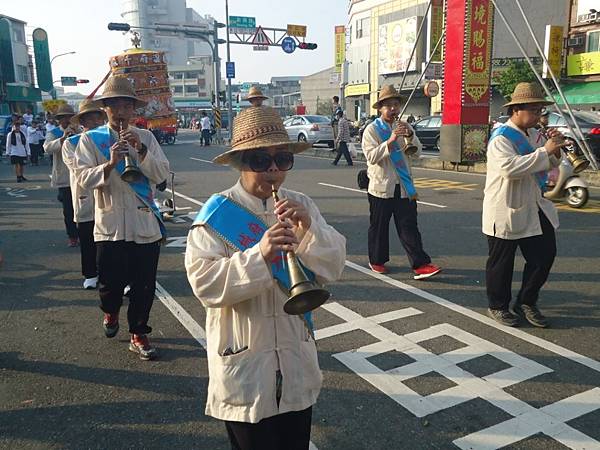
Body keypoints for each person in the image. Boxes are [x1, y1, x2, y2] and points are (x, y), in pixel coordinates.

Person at [185, 106, 346, 450]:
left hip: (295, 359)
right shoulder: (215, 215)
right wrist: (260, 255)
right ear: (240, 162)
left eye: (282, 159)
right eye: (260, 160)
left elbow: (333, 265)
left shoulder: (301, 204)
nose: (273, 170)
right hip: (244, 362)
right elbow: (206, 284)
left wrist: (310, 228)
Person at [74, 76, 170, 360]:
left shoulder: (148, 137)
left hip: (144, 224)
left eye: (126, 104)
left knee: (144, 286)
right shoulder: (91, 140)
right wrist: (110, 163)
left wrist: (140, 150)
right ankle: (110, 312)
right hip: (110, 226)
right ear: (105, 108)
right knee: (110, 287)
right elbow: (82, 179)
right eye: (114, 104)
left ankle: (139, 332)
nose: (121, 110)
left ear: (133, 109)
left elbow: (162, 174)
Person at [483, 82, 563, 328]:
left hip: (534, 205)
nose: (539, 115)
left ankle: (527, 300)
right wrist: (544, 152)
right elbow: (510, 168)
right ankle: (498, 306)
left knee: (544, 255)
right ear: (516, 109)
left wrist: (556, 151)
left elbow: (545, 165)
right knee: (502, 264)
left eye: (541, 110)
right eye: (534, 109)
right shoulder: (501, 138)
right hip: (506, 207)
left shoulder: (535, 134)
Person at [362, 85, 441, 279]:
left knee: (409, 226)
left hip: (404, 187)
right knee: (379, 227)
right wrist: (391, 140)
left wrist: (411, 136)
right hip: (382, 187)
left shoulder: (406, 125)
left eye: (396, 105)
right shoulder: (372, 129)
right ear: (380, 108)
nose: (393, 109)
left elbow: (418, 152)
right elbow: (371, 156)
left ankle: (420, 264)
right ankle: (377, 260)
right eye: (388, 105)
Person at [62, 99, 106, 290]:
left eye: (98, 117)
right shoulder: (71, 143)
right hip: (85, 195)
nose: (95, 122)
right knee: (88, 238)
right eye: (89, 118)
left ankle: (114, 275)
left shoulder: (108, 138)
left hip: (107, 196)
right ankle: (90, 273)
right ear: (82, 122)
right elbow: (78, 168)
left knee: (110, 243)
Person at [44, 104, 80, 248]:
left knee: (84, 208)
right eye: (64, 118)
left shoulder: (79, 131)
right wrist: (63, 139)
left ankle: (85, 233)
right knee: (69, 210)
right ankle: (72, 236)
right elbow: (47, 148)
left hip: (80, 175)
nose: (67, 120)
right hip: (65, 178)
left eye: (69, 117)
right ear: (59, 120)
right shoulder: (54, 133)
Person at [5, 117, 30, 182]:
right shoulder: (10, 134)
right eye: (15, 126)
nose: (17, 127)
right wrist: (7, 152)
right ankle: (18, 176)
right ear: (13, 127)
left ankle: (21, 175)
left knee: (22, 165)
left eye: (18, 126)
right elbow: (8, 144)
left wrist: (28, 152)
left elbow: (26, 144)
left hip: (22, 151)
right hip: (14, 151)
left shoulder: (23, 134)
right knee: (16, 164)